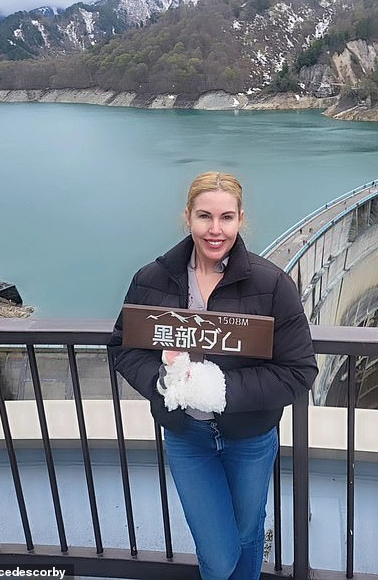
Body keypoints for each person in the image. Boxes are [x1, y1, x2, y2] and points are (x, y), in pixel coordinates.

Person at [109, 171, 318, 580]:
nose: (215, 229)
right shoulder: (152, 280)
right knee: (219, 554)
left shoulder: (271, 284)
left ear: (241, 219)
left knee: (246, 531)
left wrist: (217, 389)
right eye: (205, 216)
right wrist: (163, 380)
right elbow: (124, 346)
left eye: (226, 218)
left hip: (250, 437)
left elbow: (298, 371)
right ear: (187, 217)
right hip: (187, 436)